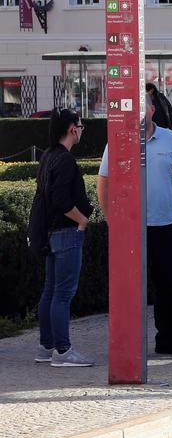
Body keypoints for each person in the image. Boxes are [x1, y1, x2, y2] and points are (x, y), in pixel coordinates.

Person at [97, 95, 172, 355]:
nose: (140, 113)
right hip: (131, 229)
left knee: (169, 287)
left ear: (152, 110)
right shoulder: (118, 138)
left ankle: (169, 340)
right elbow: (103, 182)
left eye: (144, 107)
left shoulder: (170, 139)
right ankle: (130, 345)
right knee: (130, 289)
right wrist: (112, 222)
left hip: (168, 226)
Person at [35, 109, 95, 367]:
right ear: (72, 128)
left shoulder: (48, 156)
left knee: (50, 291)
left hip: (50, 233)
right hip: (66, 233)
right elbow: (61, 200)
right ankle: (63, 350)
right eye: (80, 126)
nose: (81, 130)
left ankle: (47, 346)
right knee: (63, 294)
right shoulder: (66, 161)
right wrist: (81, 219)